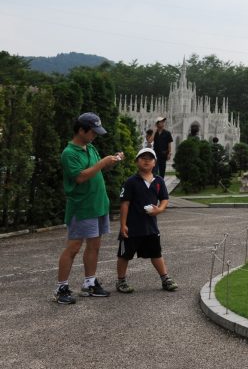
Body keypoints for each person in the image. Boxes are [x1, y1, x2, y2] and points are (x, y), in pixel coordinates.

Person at [53, 112, 124, 305]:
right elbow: (80, 177)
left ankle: (89, 283)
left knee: (95, 245)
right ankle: (61, 288)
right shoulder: (69, 153)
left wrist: (112, 161)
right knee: (73, 247)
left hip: (98, 205)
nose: (95, 135)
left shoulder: (90, 148)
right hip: (81, 207)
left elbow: (97, 169)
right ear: (81, 130)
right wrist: (102, 163)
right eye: (92, 132)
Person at [115, 148, 178, 293]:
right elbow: (124, 204)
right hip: (132, 227)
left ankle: (165, 279)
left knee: (156, 253)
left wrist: (160, 209)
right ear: (136, 161)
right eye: (142, 157)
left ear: (155, 162)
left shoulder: (159, 181)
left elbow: (164, 199)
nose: (146, 160)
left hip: (150, 227)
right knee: (125, 255)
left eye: (150, 158)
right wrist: (123, 225)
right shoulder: (130, 182)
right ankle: (121, 281)